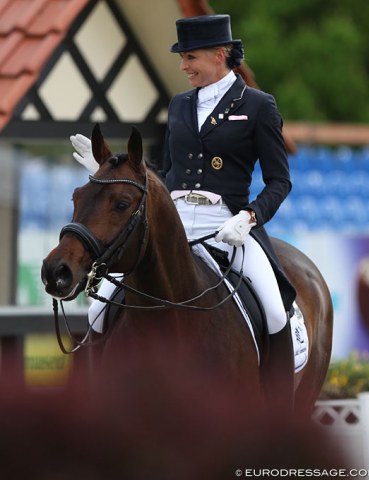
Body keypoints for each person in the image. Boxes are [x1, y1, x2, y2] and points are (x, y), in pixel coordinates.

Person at [71, 14, 297, 409]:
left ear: (220, 55)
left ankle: (276, 415)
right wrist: (108, 174)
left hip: (228, 223)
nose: (183, 66)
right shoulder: (179, 106)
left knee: (275, 313)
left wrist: (248, 217)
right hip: (171, 222)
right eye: (182, 58)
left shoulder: (258, 106)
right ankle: (91, 406)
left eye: (190, 57)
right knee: (97, 308)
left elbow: (280, 181)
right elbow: (161, 174)